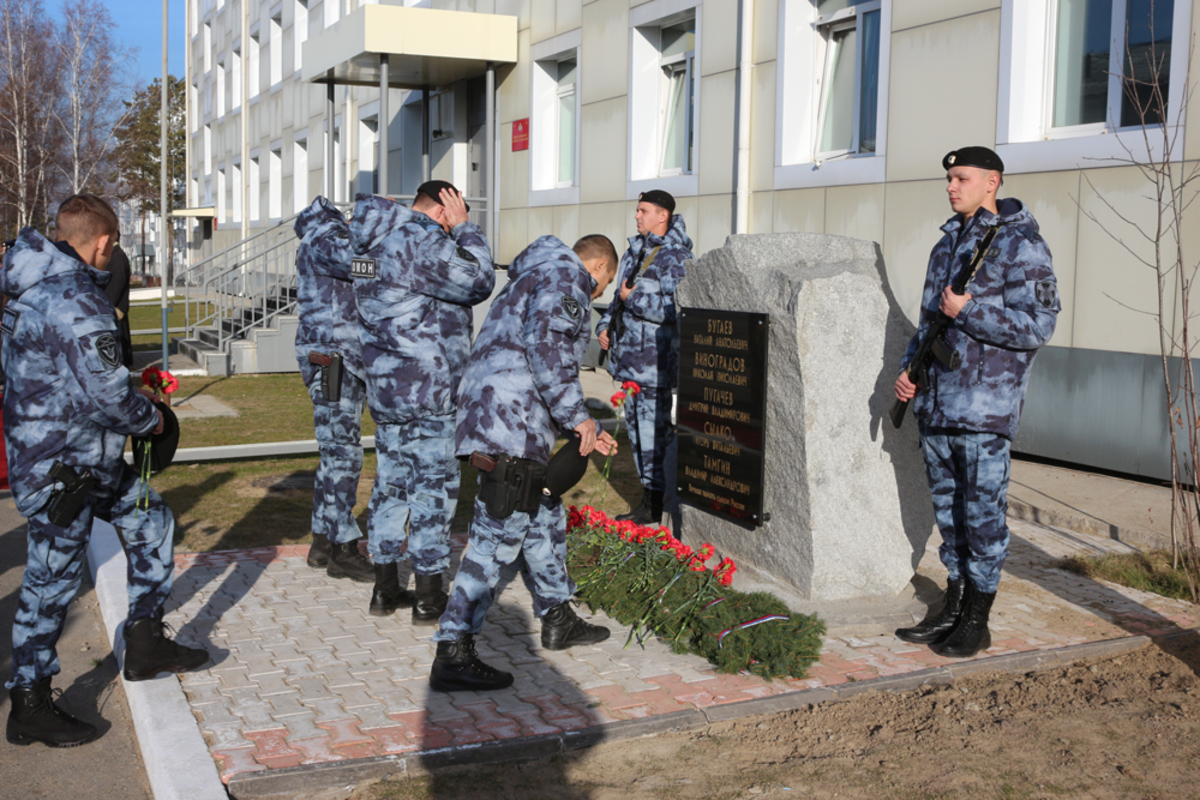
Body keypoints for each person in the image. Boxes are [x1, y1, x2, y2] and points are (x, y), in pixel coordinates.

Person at [4, 194, 207, 748]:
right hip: (60, 469)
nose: (110, 254)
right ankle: (29, 702)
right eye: (112, 245)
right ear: (103, 242)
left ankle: (144, 643)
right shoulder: (73, 300)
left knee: (152, 521)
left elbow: (64, 377)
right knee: (52, 581)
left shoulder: (31, 290)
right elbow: (109, 396)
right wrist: (156, 421)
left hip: (82, 458)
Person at [429, 233, 620, 692]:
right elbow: (549, 353)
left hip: (496, 418)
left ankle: (558, 616)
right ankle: (453, 649)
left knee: (543, 515)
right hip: (510, 429)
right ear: (597, 268)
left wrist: (576, 423)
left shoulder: (531, 276)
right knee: (495, 541)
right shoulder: (566, 280)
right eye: (604, 284)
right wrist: (579, 417)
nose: (599, 294)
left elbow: (523, 359)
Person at [894, 147, 1059, 659]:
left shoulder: (1021, 245)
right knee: (950, 515)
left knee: (982, 515)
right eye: (948, 178)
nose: (950, 186)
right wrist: (909, 370)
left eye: (961, 178)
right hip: (940, 403)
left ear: (992, 181)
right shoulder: (947, 244)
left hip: (985, 409)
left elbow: (1039, 325)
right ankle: (954, 604)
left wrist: (972, 311)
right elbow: (928, 322)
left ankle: (977, 620)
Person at [350, 182, 496, 625]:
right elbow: (479, 280)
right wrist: (466, 229)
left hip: (387, 390)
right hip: (428, 392)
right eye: (453, 214)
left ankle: (385, 587)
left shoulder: (371, 241)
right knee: (432, 488)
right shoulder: (420, 239)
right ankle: (430, 595)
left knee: (391, 486)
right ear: (443, 208)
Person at [596, 190, 692, 525]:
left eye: (644, 210)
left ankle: (661, 505)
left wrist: (633, 301)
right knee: (637, 435)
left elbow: (676, 311)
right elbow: (617, 298)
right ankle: (649, 502)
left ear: (662, 215)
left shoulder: (676, 257)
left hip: (654, 368)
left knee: (655, 436)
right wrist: (605, 325)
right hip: (629, 364)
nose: (637, 216)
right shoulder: (635, 251)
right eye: (637, 210)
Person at [294, 197, 376, 586]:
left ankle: (323, 541)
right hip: (333, 361)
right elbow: (362, 266)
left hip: (339, 359)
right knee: (341, 455)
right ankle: (344, 548)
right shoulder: (325, 236)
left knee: (334, 453)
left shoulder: (323, 235)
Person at [102, 235, 133, 369]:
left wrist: (109, 304)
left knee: (119, 344)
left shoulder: (117, 256)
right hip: (113, 306)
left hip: (116, 308)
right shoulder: (114, 255)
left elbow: (117, 283)